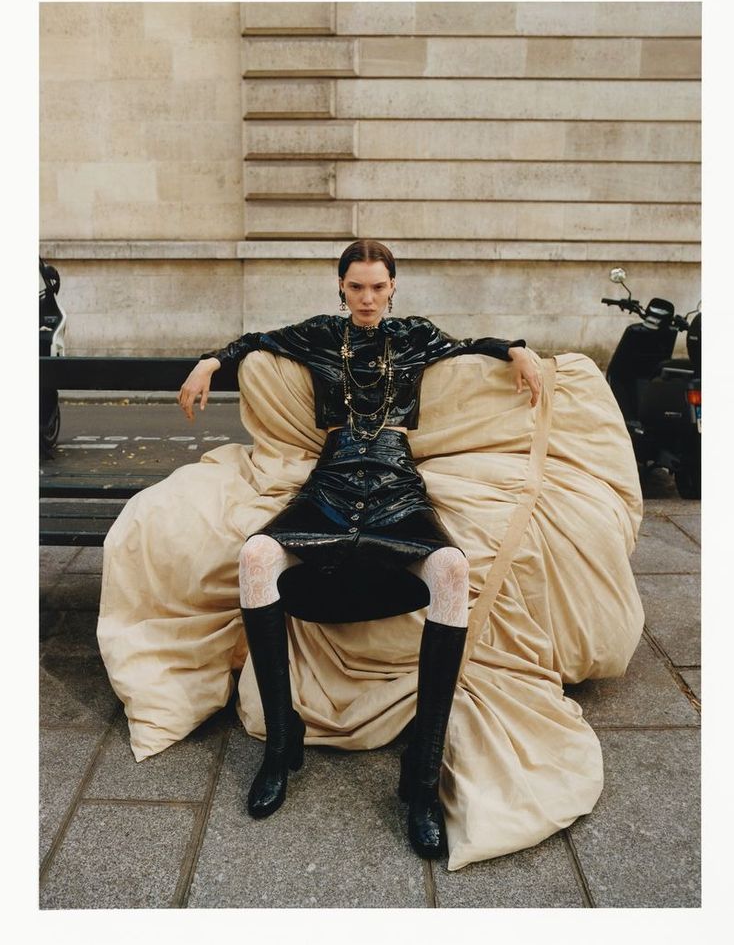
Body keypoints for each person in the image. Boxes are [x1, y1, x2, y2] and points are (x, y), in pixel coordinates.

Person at [177, 239, 540, 859]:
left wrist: (517, 349)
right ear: (340, 289)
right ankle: (281, 743)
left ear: (393, 286)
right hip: (333, 475)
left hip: (398, 480)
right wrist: (210, 363)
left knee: (451, 568)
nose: (367, 298)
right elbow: (253, 341)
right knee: (258, 556)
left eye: (377, 287)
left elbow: (471, 344)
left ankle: (421, 779)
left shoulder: (418, 335)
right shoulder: (320, 333)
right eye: (356, 288)